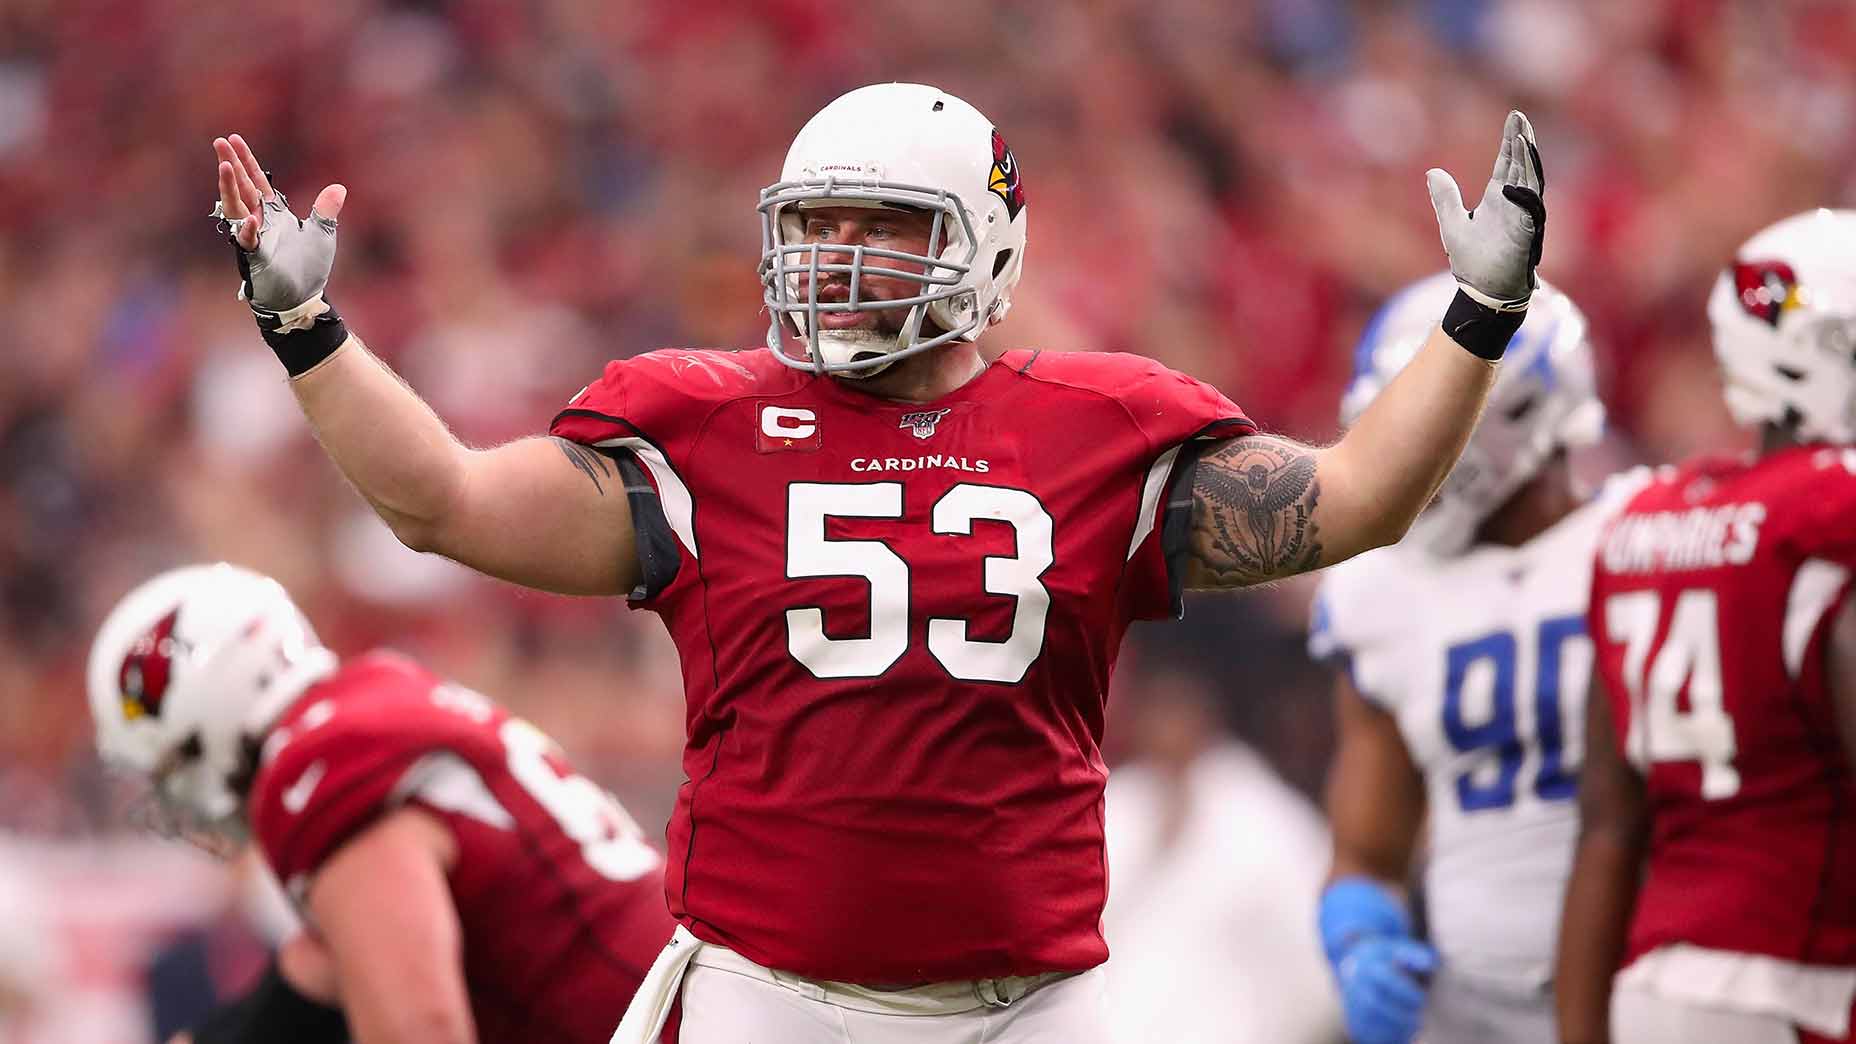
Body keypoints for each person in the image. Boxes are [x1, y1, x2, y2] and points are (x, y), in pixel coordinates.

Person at [206, 83, 1547, 1043]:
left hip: (1036, 1006)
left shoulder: (1099, 427)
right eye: (817, 222)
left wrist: (1480, 318)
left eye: (880, 224)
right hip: (767, 1000)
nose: (834, 255)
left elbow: (1359, 501)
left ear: (985, 238)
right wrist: (307, 326)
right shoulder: (706, 424)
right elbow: (440, 504)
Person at [87, 563, 676, 1044]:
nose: (175, 795)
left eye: (171, 767)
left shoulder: (318, 774)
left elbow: (421, 1031)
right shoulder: (372, 701)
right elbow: (324, 970)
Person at [1555, 209, 1856, 1044]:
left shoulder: (1642, 523)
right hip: (1799, 984)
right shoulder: (1828, 516)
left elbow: (1610, 828)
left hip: (1653, 980)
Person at [1308, 271, 1619, 1044]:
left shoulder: (1639, 540)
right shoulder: (1383, 592)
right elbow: (1366, 852)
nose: (1402, 449)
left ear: (1516, 407)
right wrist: (1359, 939)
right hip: (1470, 1008)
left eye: (1429, 415)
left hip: (1642, 979)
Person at [1101, 670, 1341, 1044]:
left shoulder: (1268, 820)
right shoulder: (1116, 807)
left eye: (1178, 710)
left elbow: (1317, 963)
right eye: (1157, 712)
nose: (1166, 728)